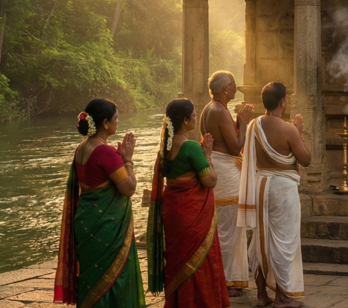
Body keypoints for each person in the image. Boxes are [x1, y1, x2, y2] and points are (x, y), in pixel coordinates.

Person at [53, 99, 145, 308]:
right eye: (116, 119)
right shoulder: (105, 152)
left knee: (91, 277)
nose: (118, 122)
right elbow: (129, 188)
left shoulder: (81, 148)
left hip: (87, 221)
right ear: (105, 123)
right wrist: (128, 159)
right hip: (106, 226)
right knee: (114, 279)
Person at [147, 99, 230, 308]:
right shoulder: (191, 147)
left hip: (173, 212)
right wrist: (208, 157)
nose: (196, 117)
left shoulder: (164, 149)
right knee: (199, 261)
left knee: (178, 261)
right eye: (193, 115)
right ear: (185, 120)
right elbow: (210, 180)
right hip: (191, 215)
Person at [237, 82, 311, 308]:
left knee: (261, 240)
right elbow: (306, 159)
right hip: (281, 189)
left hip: (260, 186)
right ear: (283, 102)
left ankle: (261, 295)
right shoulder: (288, 129)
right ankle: (281, 297)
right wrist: (300, 132)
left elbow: (244, 151)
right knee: (283, 242)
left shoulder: (253, 125)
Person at [197, 71, 255, 296]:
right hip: (226, 172)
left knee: (222, 228)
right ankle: (228, 281)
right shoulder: (220, 111)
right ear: (224, 90)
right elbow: (235, 147)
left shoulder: (208, 108)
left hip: (219, 168)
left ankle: (219, 278)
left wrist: (238, 123)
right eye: (232, 85)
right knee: (230, 229)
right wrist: (244, 123)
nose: (235, 88)